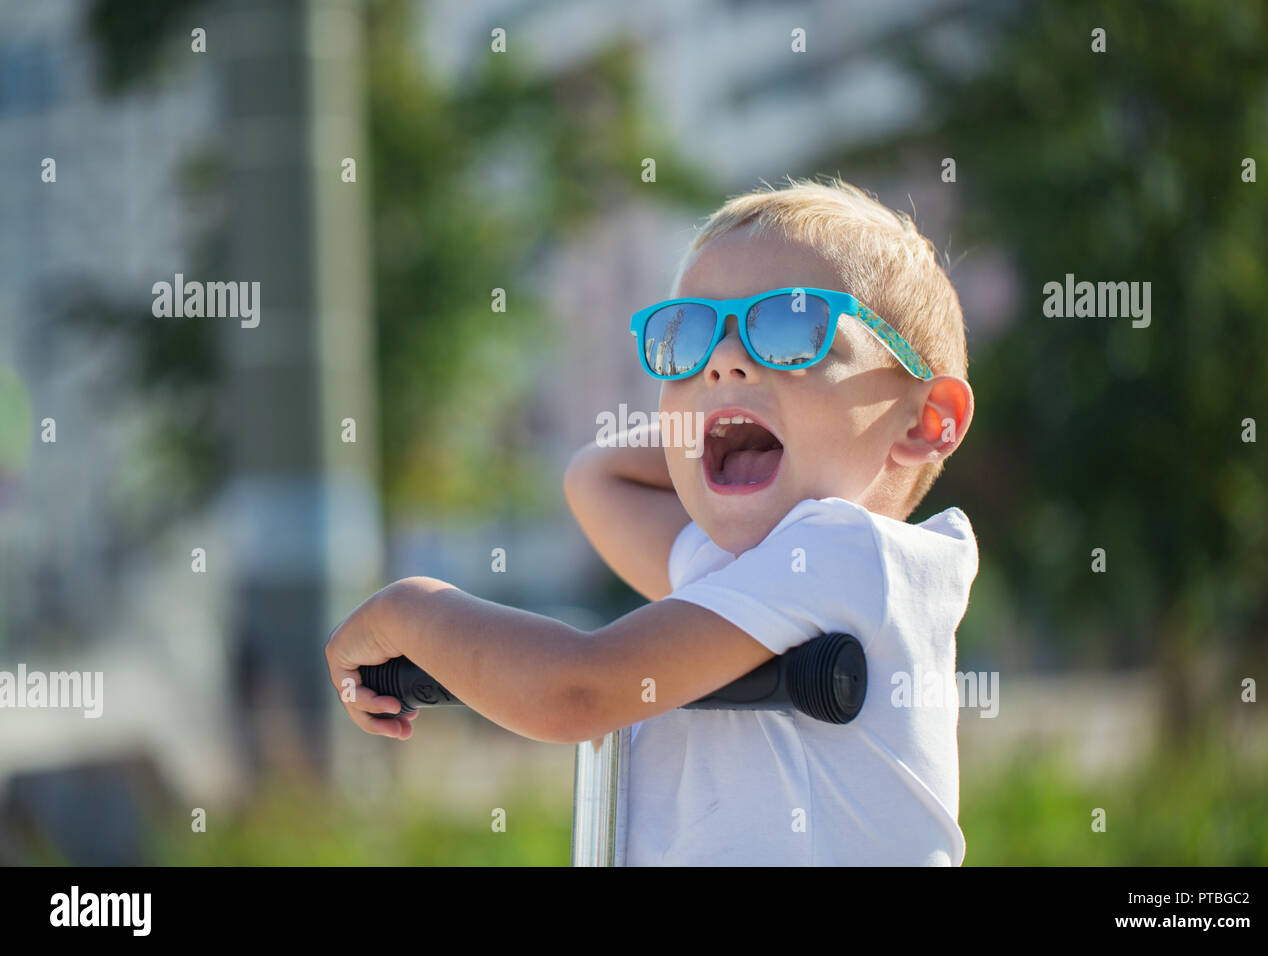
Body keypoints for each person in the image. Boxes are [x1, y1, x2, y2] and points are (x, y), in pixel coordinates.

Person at [325, 175, 978, 865]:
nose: (723, 362)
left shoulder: (851, 556)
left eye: (791, 326)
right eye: (688, 337)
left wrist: (410, 611)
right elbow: (594, 478)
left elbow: (577, 689)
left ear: (926, 420)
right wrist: (710, 432)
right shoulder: (737, 577)